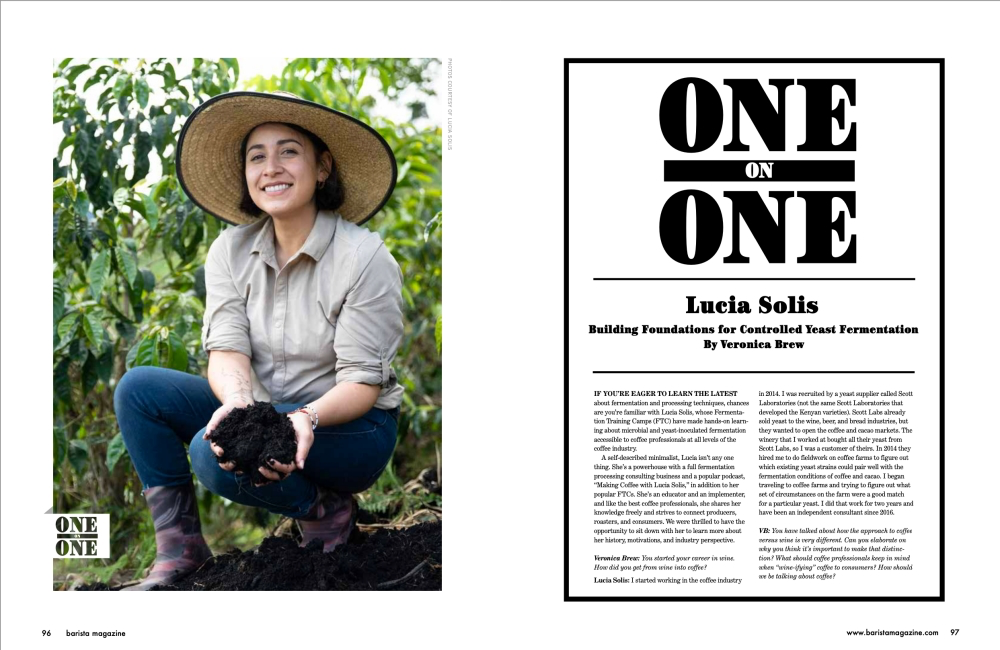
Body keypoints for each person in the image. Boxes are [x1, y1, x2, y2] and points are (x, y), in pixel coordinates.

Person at [113, 91, 403, 590]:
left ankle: (325, 508)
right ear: (247, 175)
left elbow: (362, 383)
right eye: (257, 156)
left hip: (350, 428)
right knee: (139, 389)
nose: (272, 167)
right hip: (266, 405)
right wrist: (240, 405)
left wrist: (303, 418)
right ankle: (180, 549)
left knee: (212, 455)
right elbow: (227, 349)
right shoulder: (230, 250)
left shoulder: (363, 257)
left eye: (289, 151)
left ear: (322, 167)